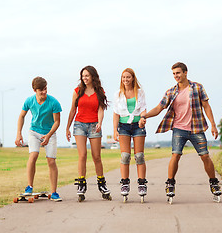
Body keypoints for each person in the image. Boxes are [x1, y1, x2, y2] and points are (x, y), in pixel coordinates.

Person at [139, 62, 222, 201]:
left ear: (185, 72)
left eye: (178, 73)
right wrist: (144, 116)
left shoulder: (197, 87)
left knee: (205, 156)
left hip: (196, 128)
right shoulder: (171, 92)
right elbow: (159, 108)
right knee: (175, 155)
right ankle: (170, 183)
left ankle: (213, 182)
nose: (176, 76)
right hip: (179, 129)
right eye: (173, 74)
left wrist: (213, 125)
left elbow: (206, 106)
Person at [66, 65, 111, 201]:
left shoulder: (99, 91)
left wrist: (100, 122)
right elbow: (73, 110)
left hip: (94, 125)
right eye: (83, 76)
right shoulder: (77, 91)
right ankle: (81, 184)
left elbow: (101, 109)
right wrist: (67, 127)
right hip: (79, 124)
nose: (85, 78)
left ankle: (101, 184)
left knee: (96, 156)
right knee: (83, 155)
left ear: (93, 76)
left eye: (87, 75)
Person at [15, 76, 62, 201]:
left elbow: (57, 122)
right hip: (34, 132)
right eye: (41, 90)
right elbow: (22, 116)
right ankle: (29, 186)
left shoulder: (53, 102)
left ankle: (54, 192)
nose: (44, 92)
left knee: (51, 161)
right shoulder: (29, 101)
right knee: (33, 155)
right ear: (35, 90)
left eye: (45, 89)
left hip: (50, 133)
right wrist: (18, 133)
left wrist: (48, 135)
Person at [113, 68, 148, 202]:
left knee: (139, 156)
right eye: (123, 78)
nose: (126, 80)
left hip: (138, 125)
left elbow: (144, 108)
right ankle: (125, 183)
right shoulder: (118, 94)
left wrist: (143, 118)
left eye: (128, 77)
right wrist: (115, 129)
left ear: (133, 78)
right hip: (123, 126)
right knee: (125, 156)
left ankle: (142, 183)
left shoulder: (140, 92)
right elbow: (116, 113)